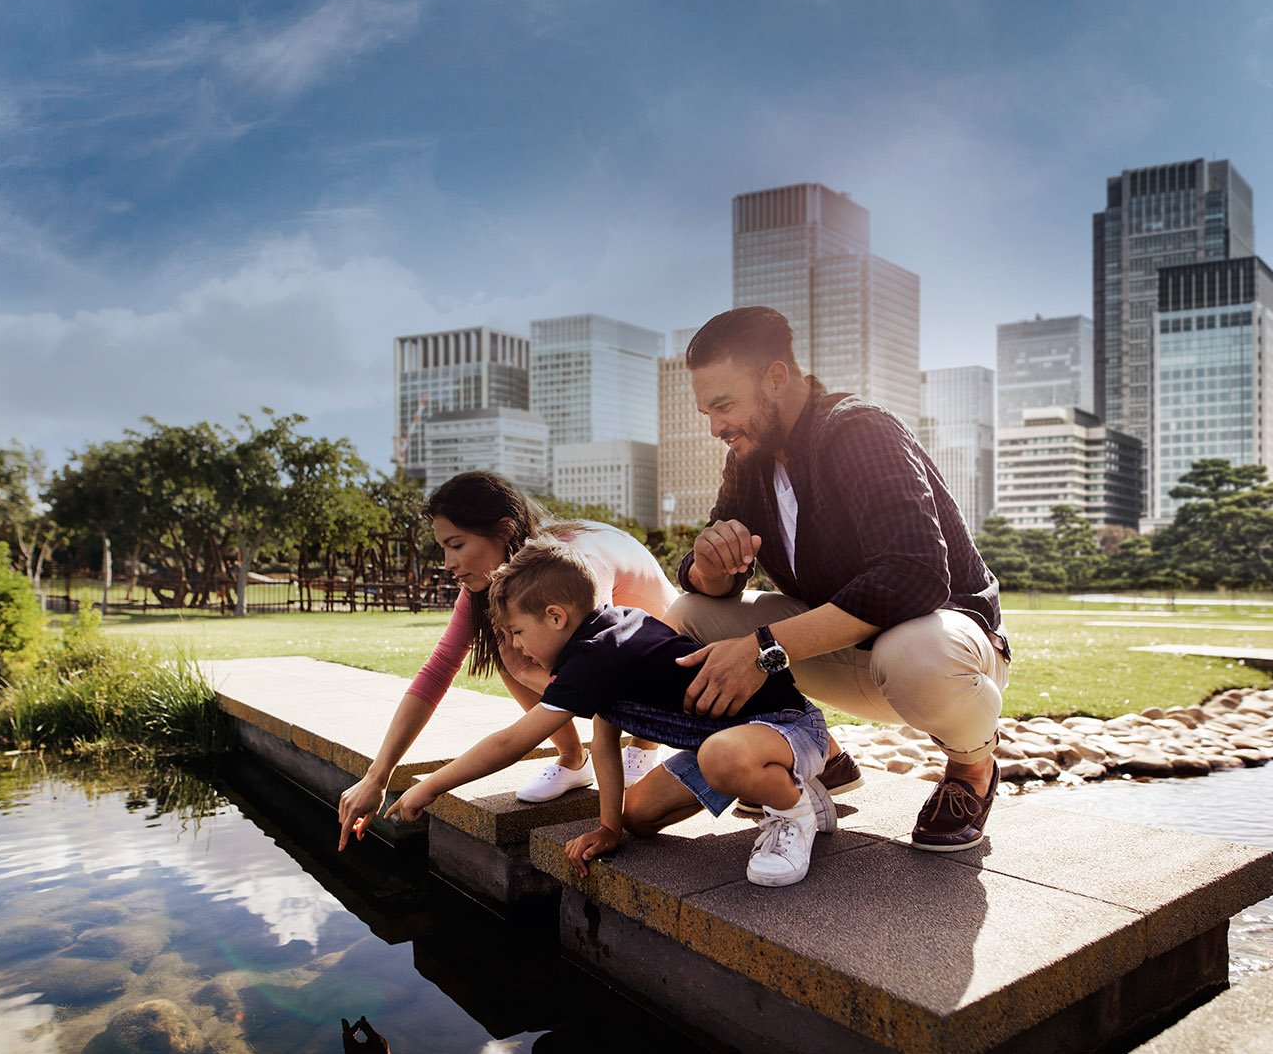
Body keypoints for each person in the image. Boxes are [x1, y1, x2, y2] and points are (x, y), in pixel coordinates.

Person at [672, 306, 1011, 851]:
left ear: (776, 378)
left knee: (916, 652)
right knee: (686, 618)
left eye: (723, 405)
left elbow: (914, 576)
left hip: (941, 652)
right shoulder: (748, 458)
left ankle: (972, 768)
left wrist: (762, 651)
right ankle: (818, 754)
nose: (715, 427)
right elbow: (710, 580)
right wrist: (707, 568)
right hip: (840, 649)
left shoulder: (860, 429)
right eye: (705, 412)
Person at [386, 537, 836, 887]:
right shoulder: (599, 641)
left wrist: (431, 788)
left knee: (723, 756)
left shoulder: (599, 652)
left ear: (556, 616)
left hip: (787, 727)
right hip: (730, 741)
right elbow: (603, 737)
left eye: (518, 631)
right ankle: (797, 789)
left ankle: (793, 814)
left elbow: (511, 742)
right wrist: (608, 828)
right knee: (637, 817)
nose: (516, 645)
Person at [336, 472, 678, 851]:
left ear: (505, 529)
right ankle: (571, 760)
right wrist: (377, 775)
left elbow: (602, 675)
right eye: (443, 549)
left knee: (553, 662)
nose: (448, 563)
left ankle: (645, 746)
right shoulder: (491, 587)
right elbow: (436, 671)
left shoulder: (571, 573)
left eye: (457, 545)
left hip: (664, 641)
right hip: (610, 664)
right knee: (506, 646)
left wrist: (431, 787)